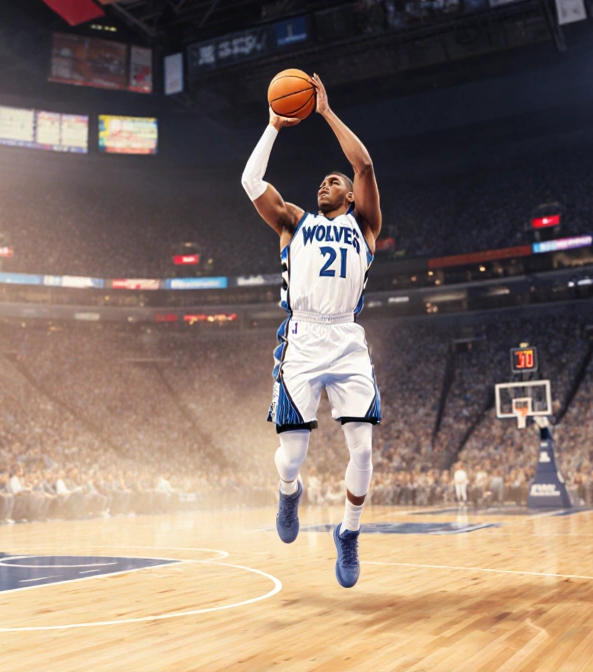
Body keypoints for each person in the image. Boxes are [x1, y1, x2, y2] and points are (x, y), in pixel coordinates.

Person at [242, 73, 382, 589]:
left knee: (363, 449)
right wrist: (273, 127)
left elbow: (363, 163)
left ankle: (348, 534)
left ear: (349, 195)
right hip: (301, 338)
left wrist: (324, 111)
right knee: (293, 455)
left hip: (346, 338)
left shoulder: (364, 226)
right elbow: (251, 183)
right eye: (322, 181)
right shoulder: (294, 223)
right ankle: (287, 491)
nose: (326, 183)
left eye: (334, 181)